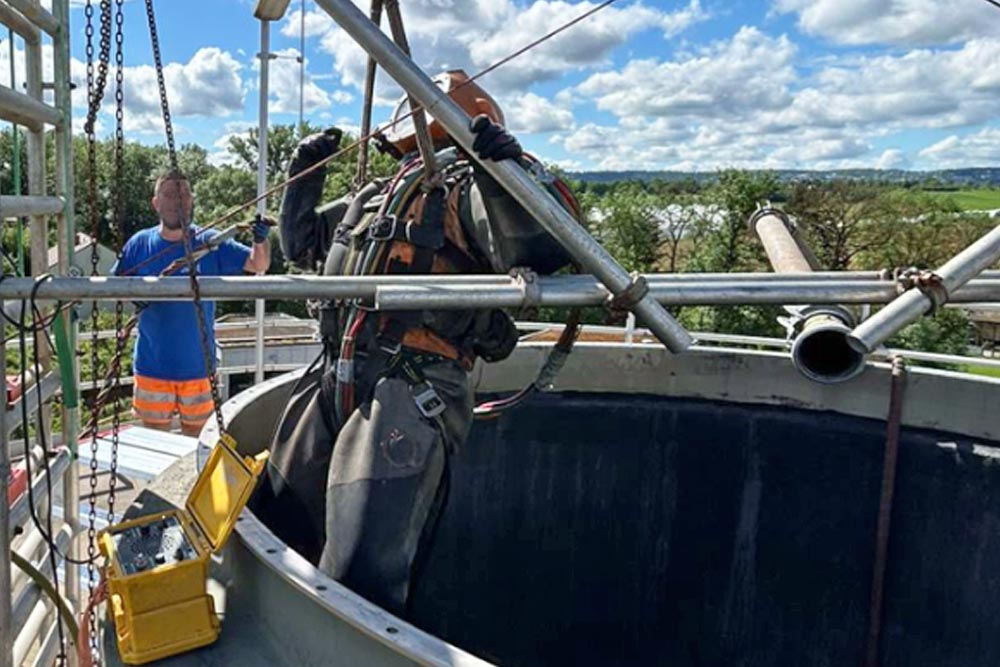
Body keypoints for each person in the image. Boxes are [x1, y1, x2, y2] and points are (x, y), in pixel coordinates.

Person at [252, 70, 579, 615]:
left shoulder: (466, 192)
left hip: (407, 391)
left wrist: (505, 172)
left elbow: (544, 245)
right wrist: (301, 184)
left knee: (360, 572)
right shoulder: (383, 196)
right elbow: (306, 248)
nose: (411, 149)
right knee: (280, 517)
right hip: (340, 373)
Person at [114, 170, 271, 436]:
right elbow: (115, 286)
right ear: (156, 203)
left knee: (198, 444)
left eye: (185, 194)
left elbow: (259, 264)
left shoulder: (211, 242)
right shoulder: (139, 244)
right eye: (171, 194)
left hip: (199, 368)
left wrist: (261, 239)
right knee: (154, 442)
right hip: (152, 368)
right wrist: (135, 295)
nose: (180, 200)